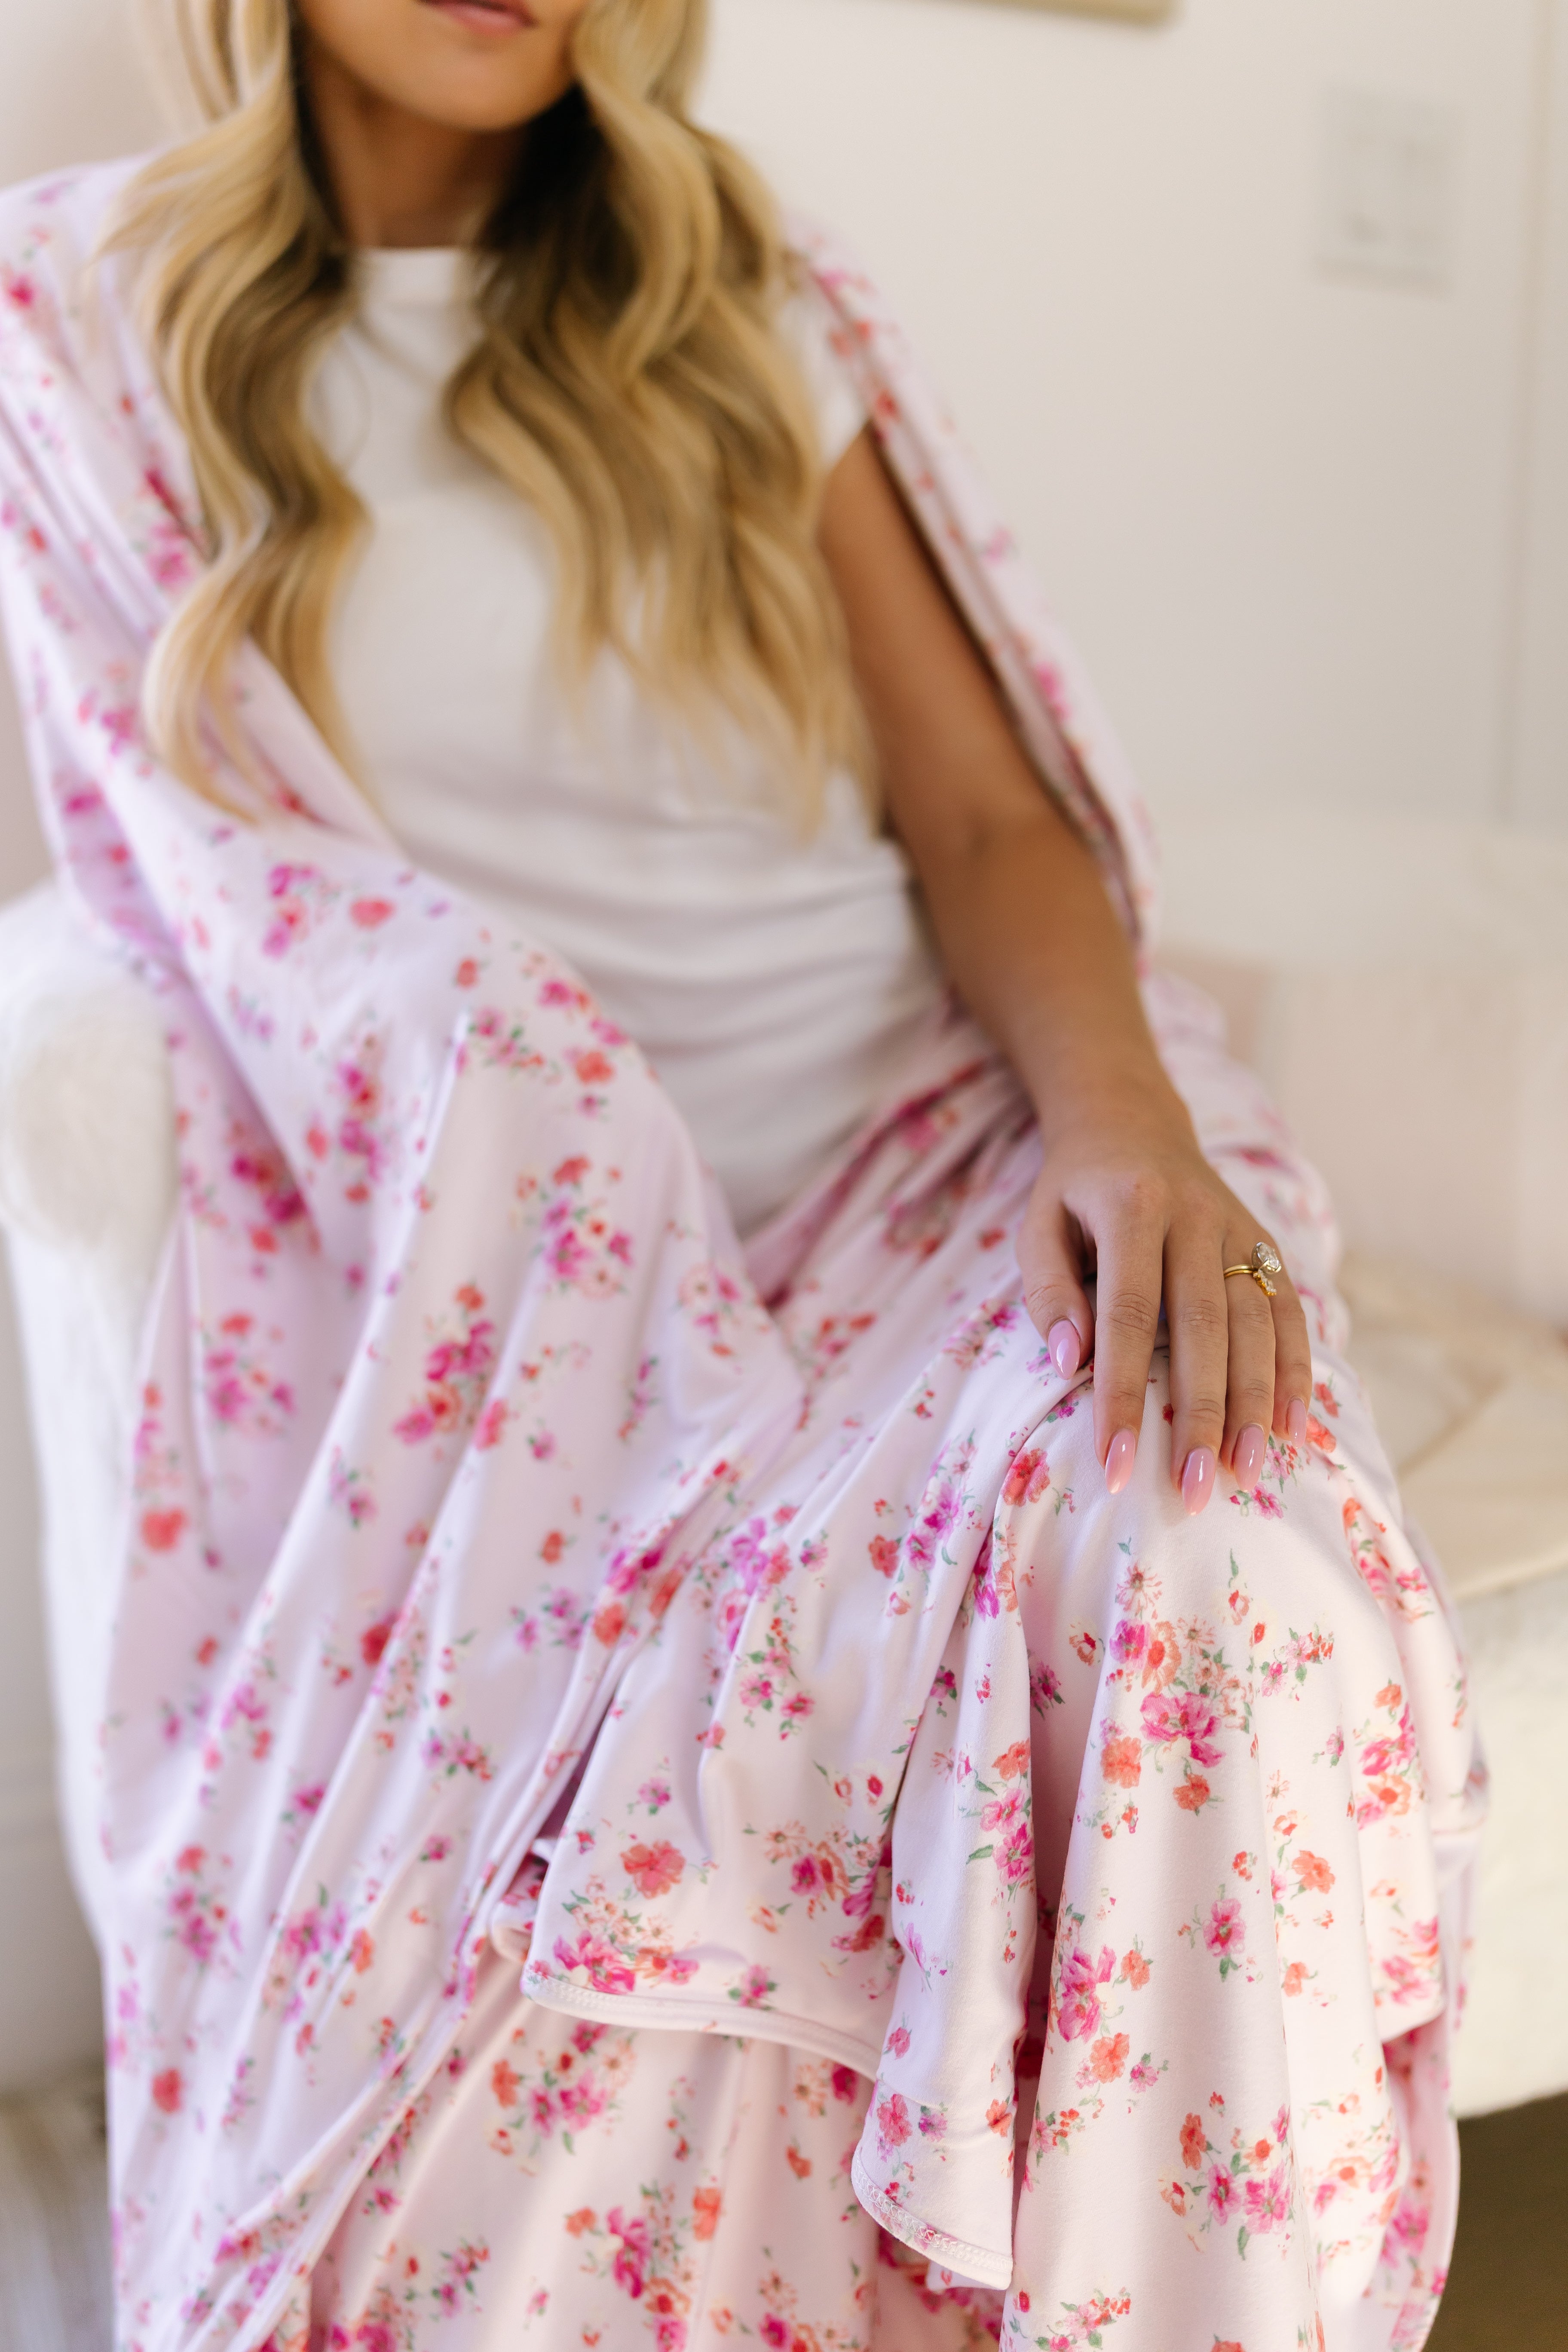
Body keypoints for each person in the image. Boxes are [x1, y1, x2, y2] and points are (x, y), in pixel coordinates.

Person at [0, 4, 1480, 2348]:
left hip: (939, 1159)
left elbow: (986, 824)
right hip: (532, 1285)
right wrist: (535, 1105)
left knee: (1223, 1574)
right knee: (720, 1754)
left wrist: (1122, 1132)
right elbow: (207, 888)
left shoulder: (732, 301)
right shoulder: (70, 318)